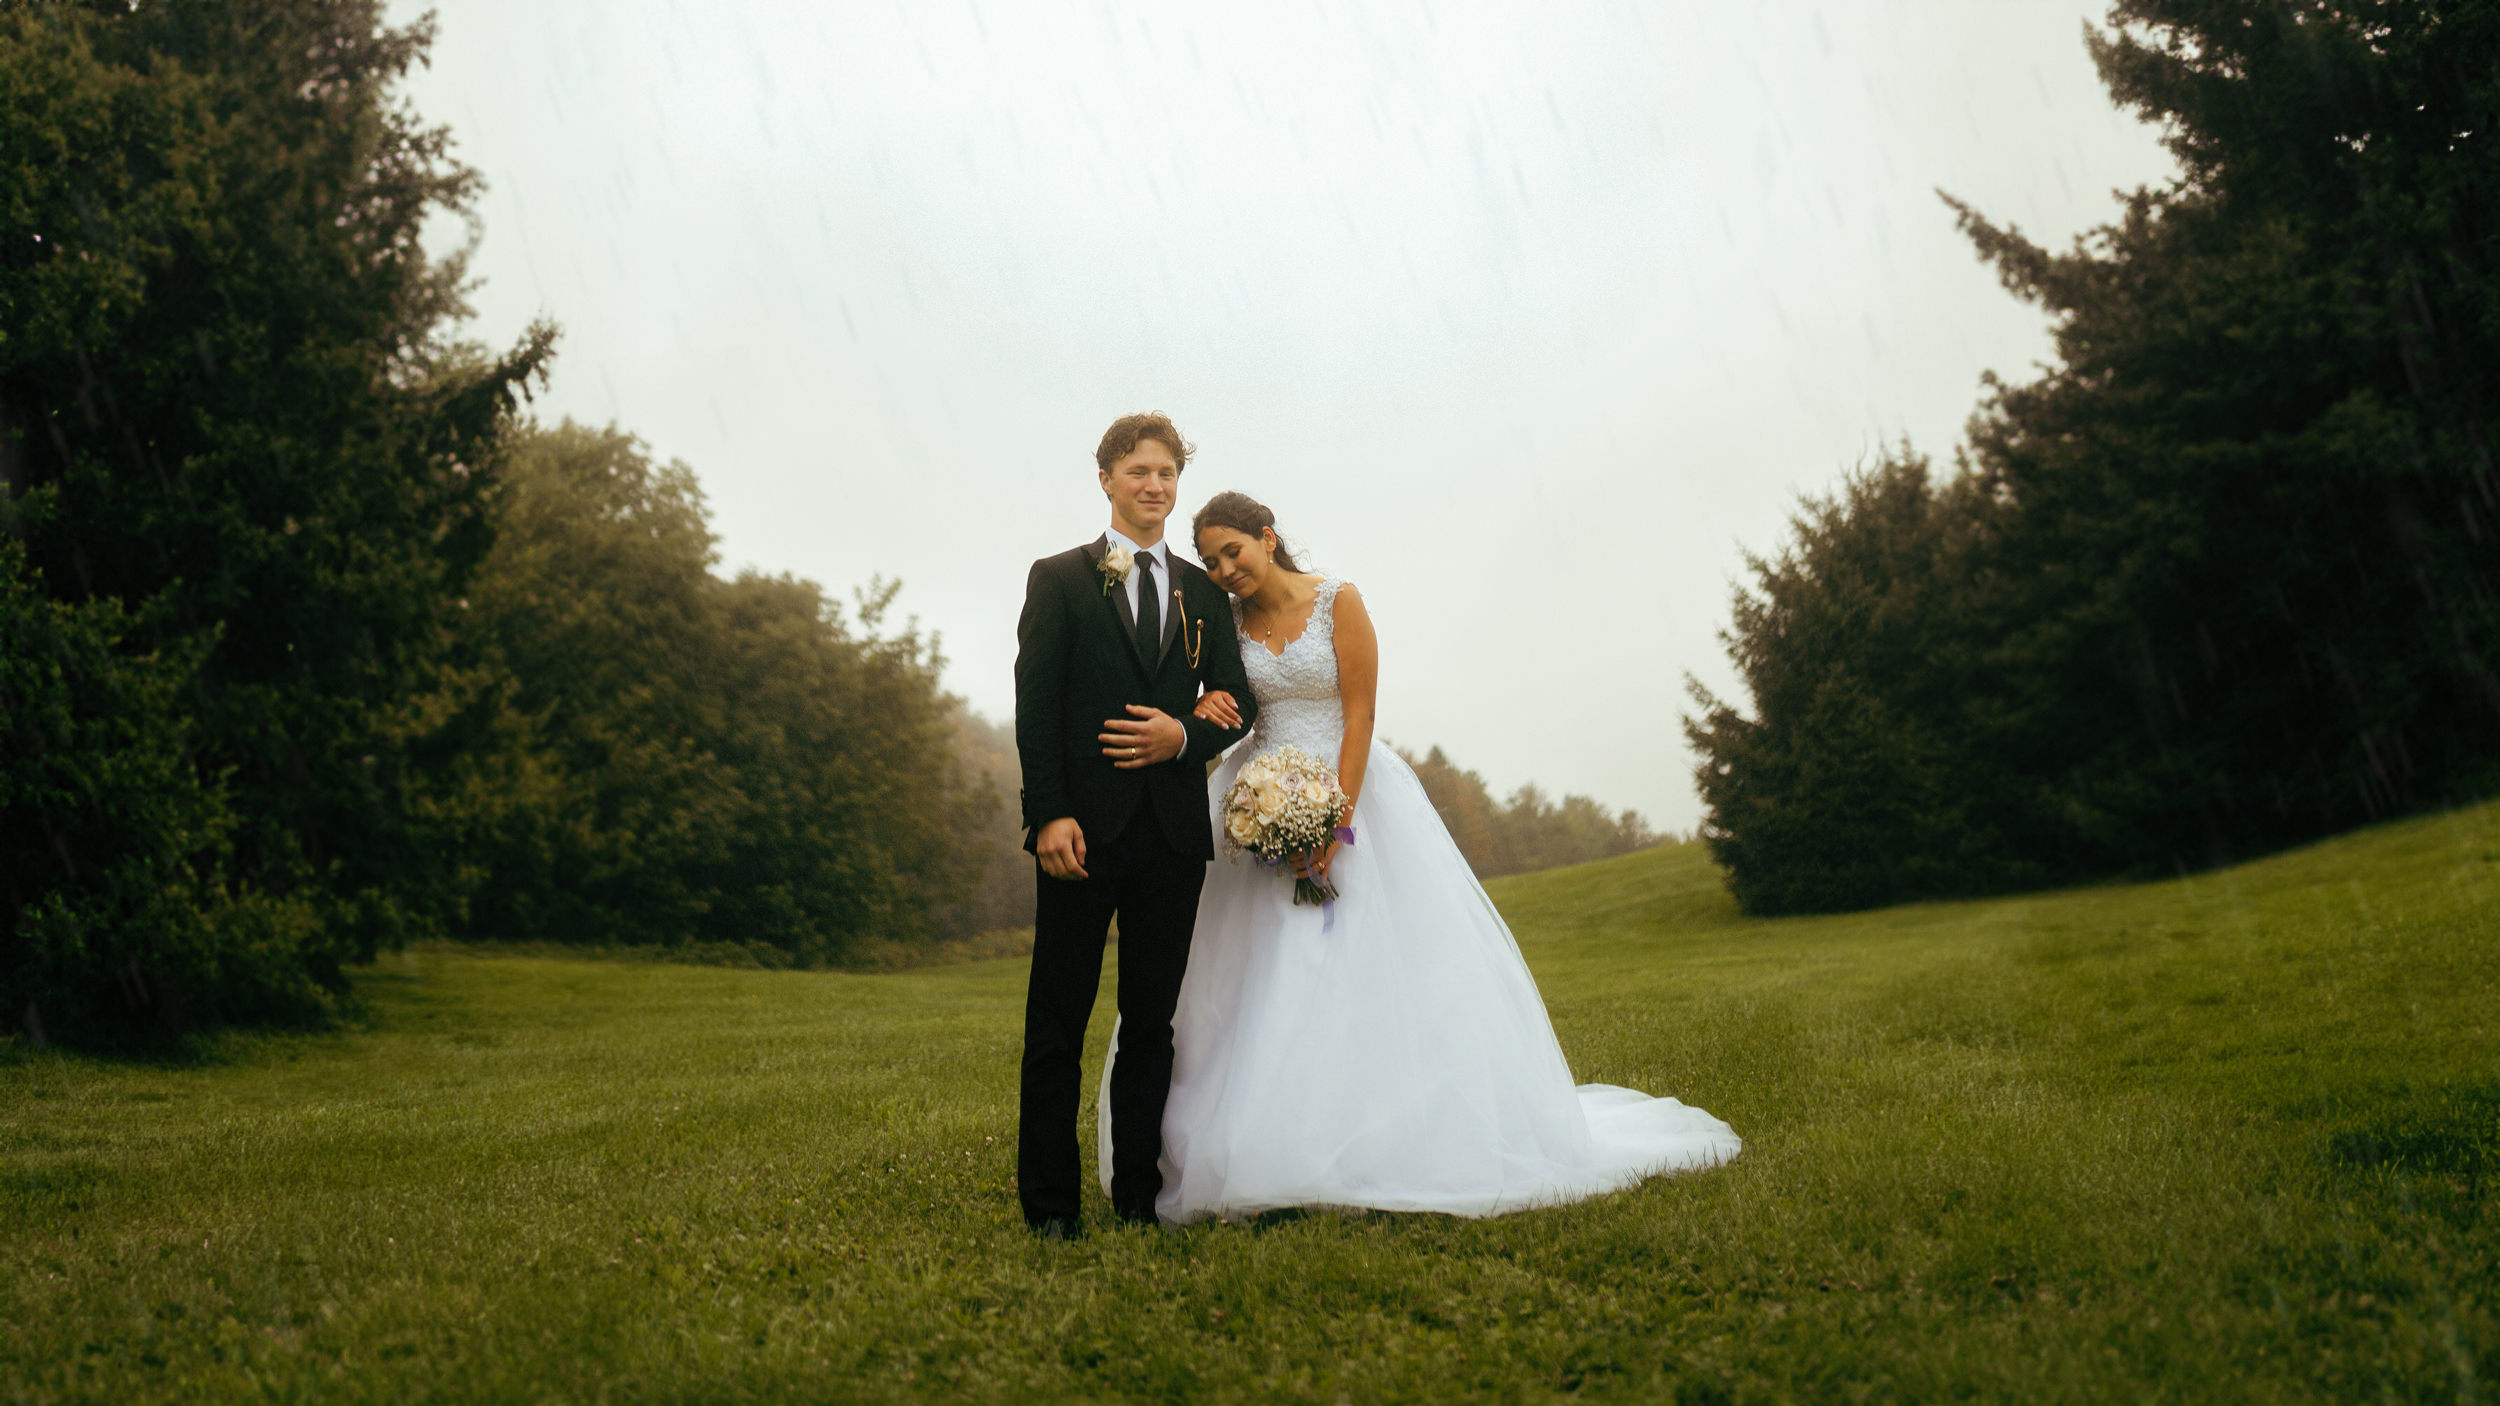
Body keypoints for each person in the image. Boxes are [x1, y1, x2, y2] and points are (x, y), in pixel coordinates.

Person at [1096, 490, 1740, 1222]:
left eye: (1232, 552)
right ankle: (1254, 1143)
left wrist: (1335, 822)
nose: (1223, 568)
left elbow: (1362, 710)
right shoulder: (1224, 621)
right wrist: (1218, 733)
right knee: (1241, 976)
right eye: (1210, 560)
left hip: (1350, 787)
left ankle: (1379, 1139)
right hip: (1255, 795)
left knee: (1359, 969)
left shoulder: (1338, 599)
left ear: (1267, 539)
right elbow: (1225, 700)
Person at [1013, 414, 1258, 1238]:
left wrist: (1184, 735)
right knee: (1059, 1022)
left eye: (1167, 472)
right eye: (1139, 471)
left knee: (1152, 1025)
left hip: (1173, 838)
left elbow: (1236, 699)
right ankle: (1050, 1209)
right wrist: (1048, 814)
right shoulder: (1060, 579)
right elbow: (1036, 711)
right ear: (1108, 479)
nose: (1155, 485)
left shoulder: (1203, 593)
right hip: (1081, 834)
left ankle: (1135, 1199)